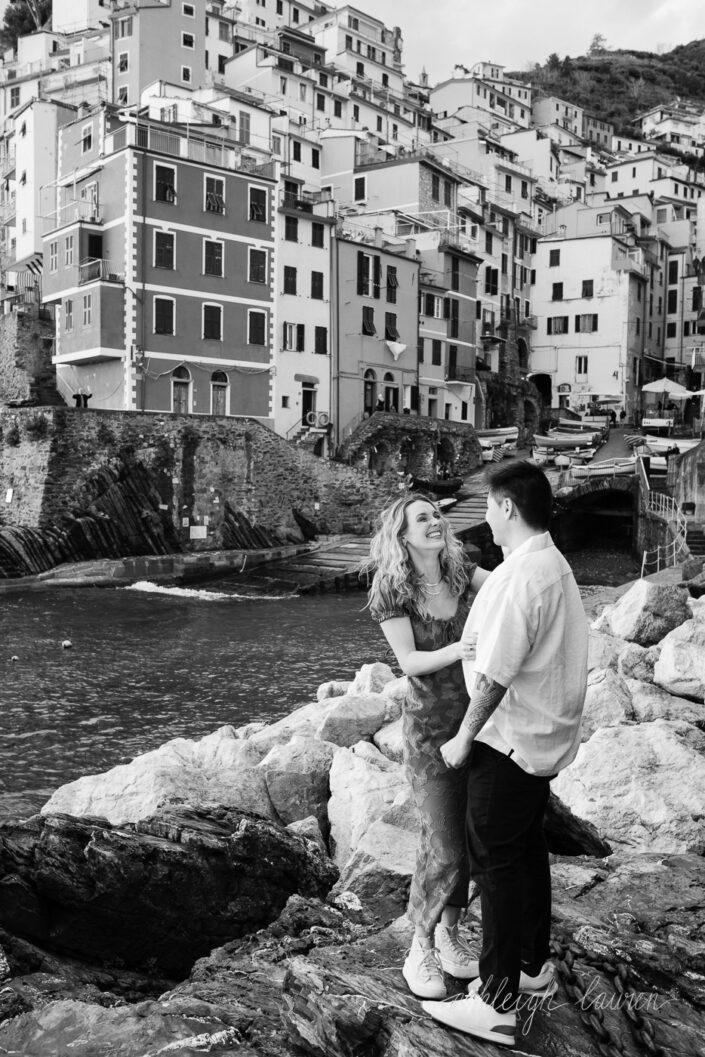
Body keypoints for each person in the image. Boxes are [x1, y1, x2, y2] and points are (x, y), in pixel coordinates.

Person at [422, 461, 588, 1047]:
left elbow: (495, 672)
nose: (485, 518)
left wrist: (464, 736)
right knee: (524, 850)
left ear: (509, 508)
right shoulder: (546, 563)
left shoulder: (522, 577)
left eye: (489, 507)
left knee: (494, 860)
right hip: (543, 738)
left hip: (510, 740)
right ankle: (532, 967)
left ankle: (494, 1002)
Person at [364, 494, 490, 1001]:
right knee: (443, 841)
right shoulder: (392, 590)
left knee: (472, 836)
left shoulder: (462, 569)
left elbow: (506, 589)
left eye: (437, 515)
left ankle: (449, 933)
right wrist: (459, 648)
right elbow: (410, 661)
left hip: (481, 724)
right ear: (403, 536)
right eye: (423, 519)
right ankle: (420, 945)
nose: (435, 522)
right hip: (430, 734)